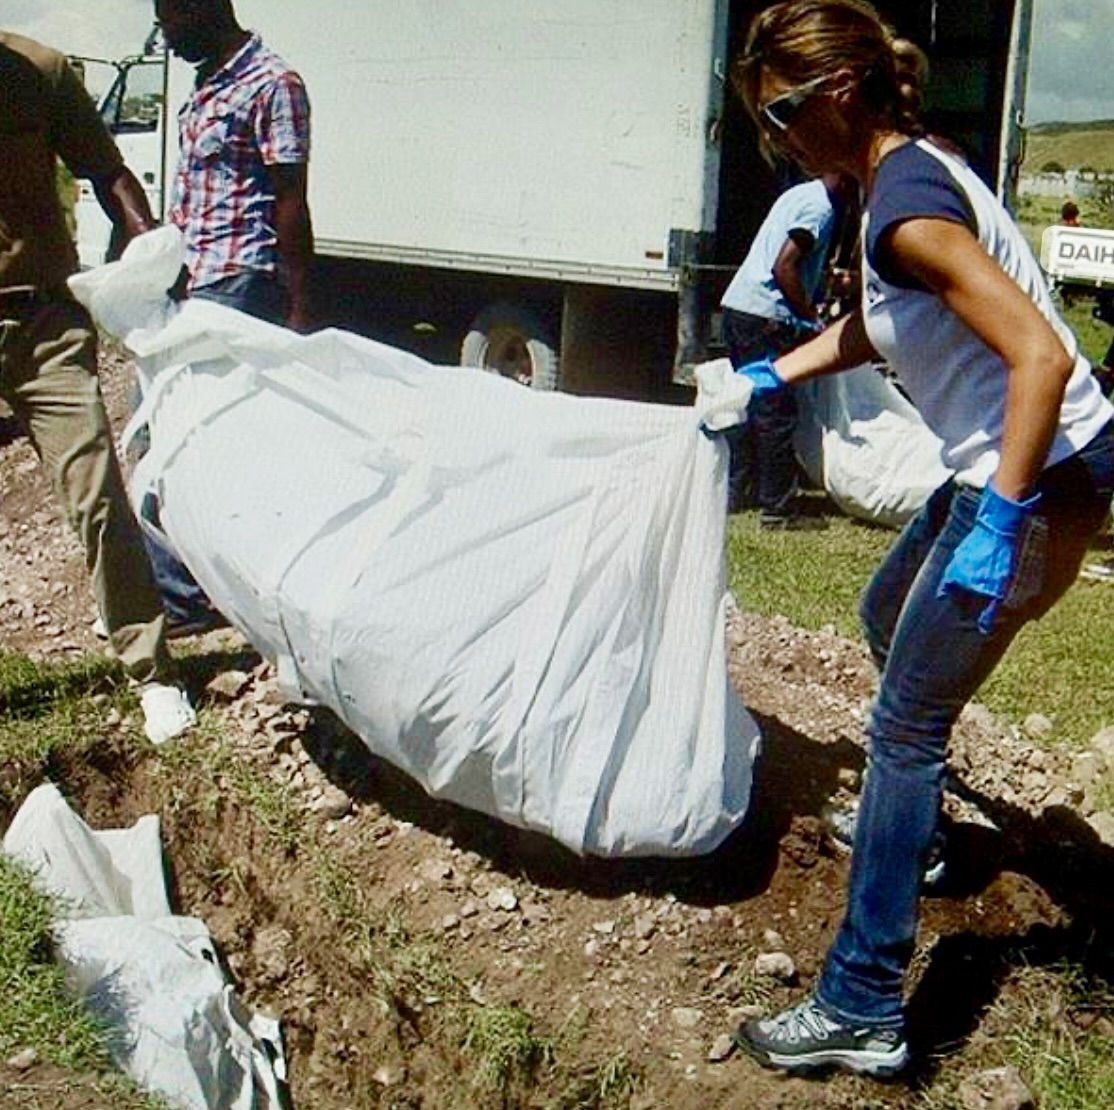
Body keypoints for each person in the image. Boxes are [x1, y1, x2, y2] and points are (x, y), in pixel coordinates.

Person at [725, 0, 1114, 1079]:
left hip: (1036, 476)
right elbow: (885, 320)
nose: (780, 141)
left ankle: (860, 1003)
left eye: (785, 114)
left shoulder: (901, 208)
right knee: (880, 611)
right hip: (1005, 467)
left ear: (840, 91)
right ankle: (922, 844)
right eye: (767, 125)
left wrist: (1002, 519)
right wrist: (779, 369)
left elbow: (1039, 355)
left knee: (904, 726)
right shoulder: (893, 178)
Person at [0, 30, 196, 744]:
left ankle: (153, 673)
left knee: (98, 496)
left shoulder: (42, 73)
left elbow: (108, 170)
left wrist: (147, 246)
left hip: (44, 323)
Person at [138, 0, 315, 633]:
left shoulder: (272, 83)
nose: (164, 34)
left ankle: (187, 598)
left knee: (197, 438)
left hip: (241, 283)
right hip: (194, 283)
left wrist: (298, 308)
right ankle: (194, 587)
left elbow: (291, 198)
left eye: (168, 18)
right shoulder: (208, 81)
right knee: (178, 434)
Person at [721, 173, 854, 526]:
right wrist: (810, 318)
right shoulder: (821, 208)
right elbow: (785, 265)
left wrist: (824, 284)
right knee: (775, 411)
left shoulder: (800, 194)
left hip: (740, 307)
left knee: (744, 405)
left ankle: (735, 493)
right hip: (767, 316)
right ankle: (778, 509)